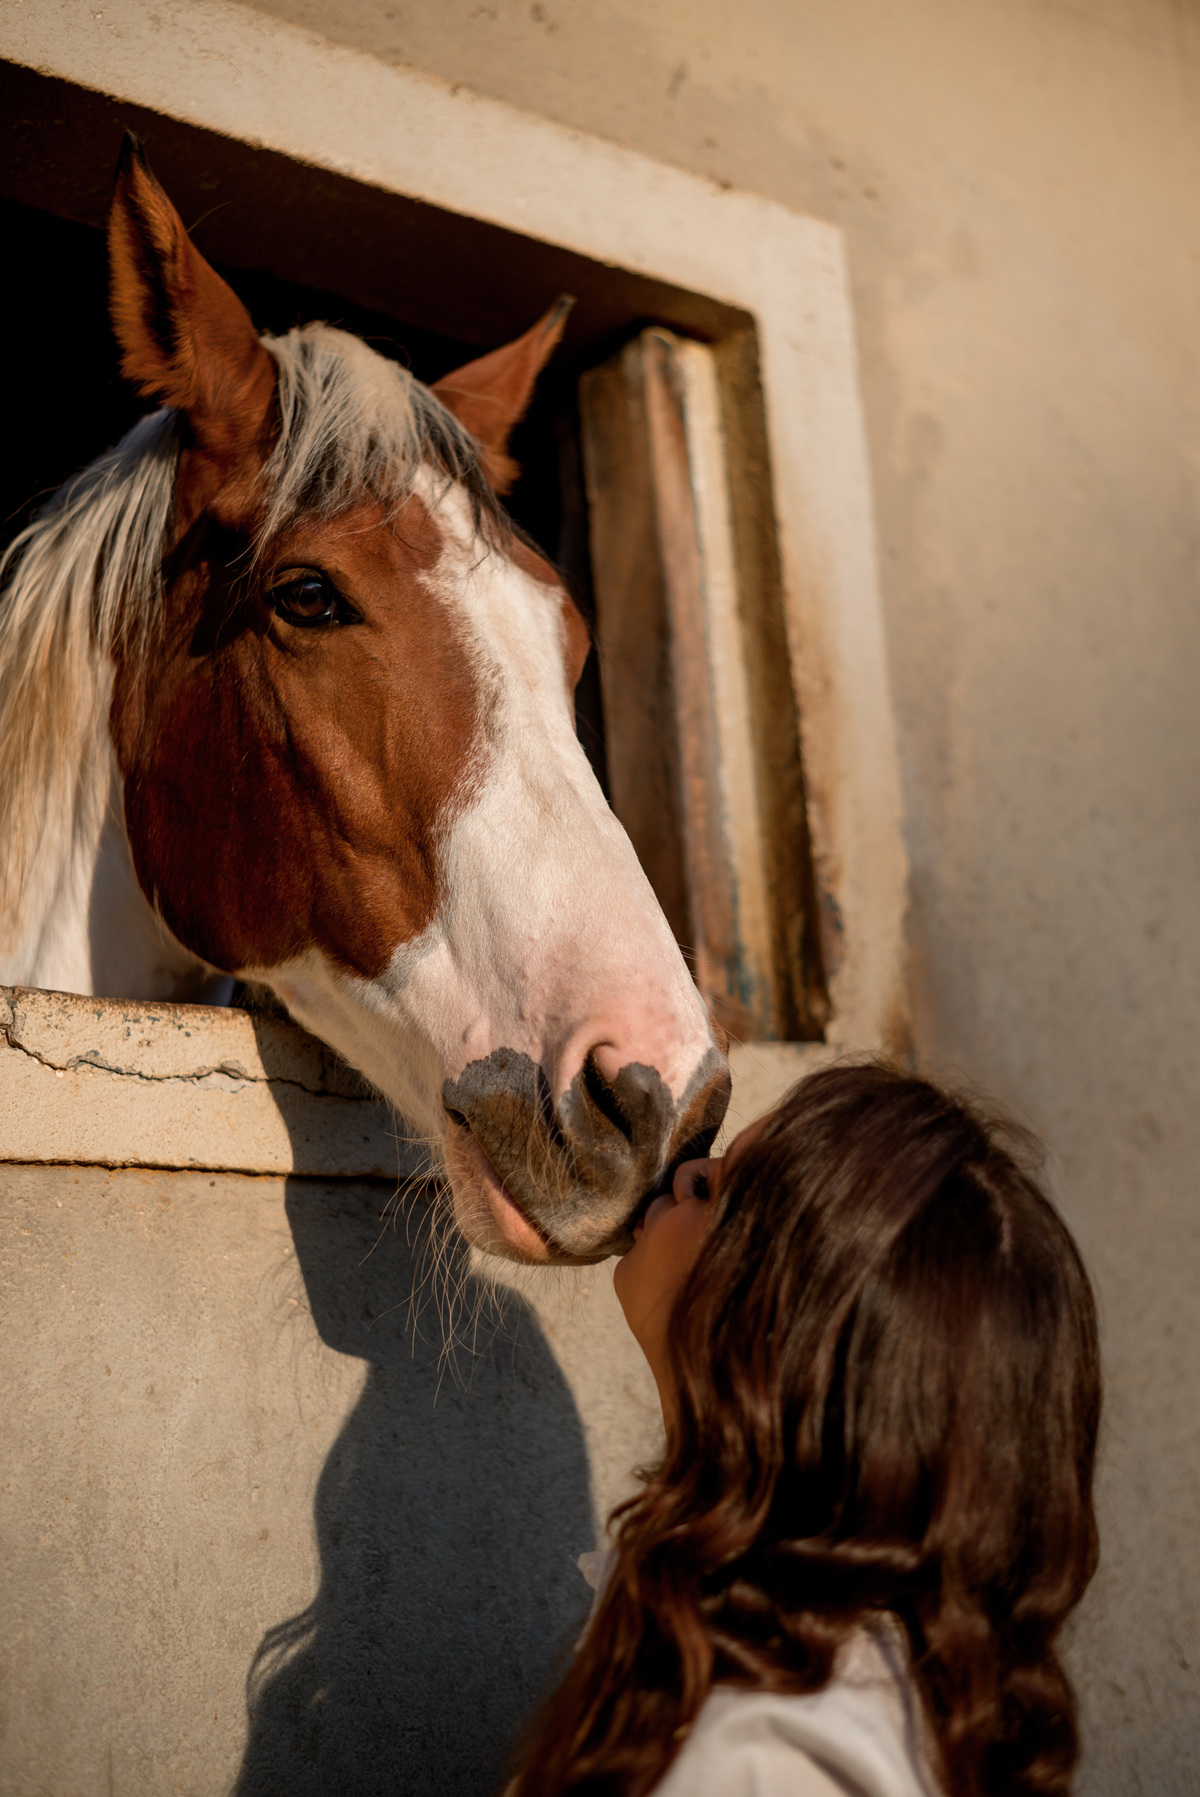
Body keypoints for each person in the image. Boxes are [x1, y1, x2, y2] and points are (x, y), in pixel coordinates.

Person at [507, 1061, 1101, 1797]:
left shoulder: (776, 1756)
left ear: (803, 1344)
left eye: (731, 1194)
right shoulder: (808, 1663)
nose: (690, 1174)